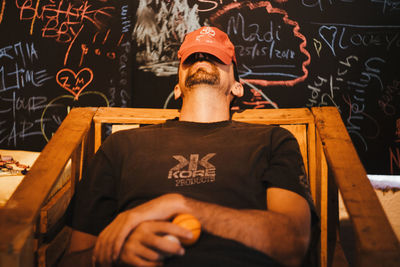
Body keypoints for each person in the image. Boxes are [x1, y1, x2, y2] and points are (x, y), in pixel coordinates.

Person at [60, 26, 319, 267]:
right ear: (176, 88)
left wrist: (181, 205)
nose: (202, 59)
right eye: (192, 58)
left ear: (238, 87)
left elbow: (293, 243)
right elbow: (71, 259)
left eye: (215, 56)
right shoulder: (121, 146)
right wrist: (115, 253)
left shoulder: (273, 140)